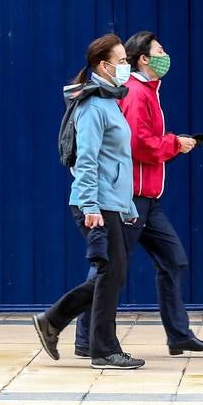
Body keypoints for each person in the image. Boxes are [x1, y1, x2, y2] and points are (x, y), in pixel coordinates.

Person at [75, 31, 203, 358]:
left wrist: (172, 141)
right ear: (144, 59)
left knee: (173, 260)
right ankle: (76, 331)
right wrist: (174, 144)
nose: (165, 54)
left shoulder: (148, 91)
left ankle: (179, 334)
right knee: (109, 270)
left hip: (148, 198)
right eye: (160, 50)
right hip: (133, 198)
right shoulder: (138, 94)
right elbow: (138, 145)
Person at [32, 34, 145, 370]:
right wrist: (91, 207)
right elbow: (87, 161)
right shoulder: (93, 106)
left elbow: (117, 161)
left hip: (111, 202)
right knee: (111, 272)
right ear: (103, 65)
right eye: (122, 61)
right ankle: (103, 349)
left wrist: (126, 205)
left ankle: (53, 321)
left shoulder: (108, 100)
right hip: (94, 203)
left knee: (111, 273)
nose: (126, 66)